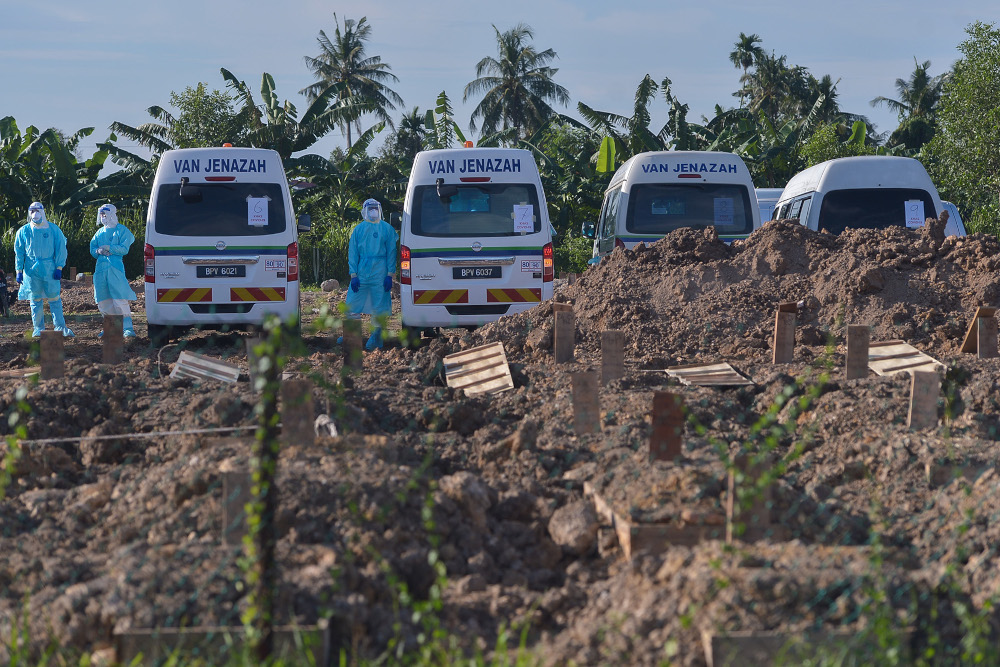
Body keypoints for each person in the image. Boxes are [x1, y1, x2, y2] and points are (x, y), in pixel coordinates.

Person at [344, 198, 398, 350]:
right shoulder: (358, 230)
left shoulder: (387, 229)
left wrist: (389, 274)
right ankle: (351, 335)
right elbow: (353, 253)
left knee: (379, 304)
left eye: (376, 208)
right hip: (362, 271)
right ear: (364, 211)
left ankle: (376, 337)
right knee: (353, 302)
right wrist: (353, 275)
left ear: (380, 210)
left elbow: (391, 253)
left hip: (380, 272)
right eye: (370, 209)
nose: (373, 211)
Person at [14, 202, 74, 337]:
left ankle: (60, 327)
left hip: (50, 268)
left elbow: (61, 248)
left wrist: (59, 267)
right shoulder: (23, 231)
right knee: (35, 300)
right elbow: (19, 252)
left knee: (54, 298)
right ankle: (38, 328)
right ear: (29, 213)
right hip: (31, 270)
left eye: (38, 210)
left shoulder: (53, 229)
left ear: (43, 212)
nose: (35, 214)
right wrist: (19, 270)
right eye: (32, 211)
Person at [89, 204, 137, 338]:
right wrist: (98, 251)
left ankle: (127, 328)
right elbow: (92, 249)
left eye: (105, 214)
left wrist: (110, 247)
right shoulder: (99, 233)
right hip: (100, 270)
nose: (103, 217)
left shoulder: (122, 230)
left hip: (115, 268)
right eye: (101, 215)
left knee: (119, 298)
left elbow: (124, 249)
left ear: (112, 214)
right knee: (104, 300)